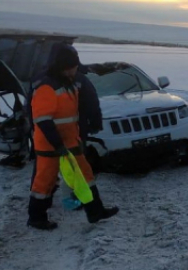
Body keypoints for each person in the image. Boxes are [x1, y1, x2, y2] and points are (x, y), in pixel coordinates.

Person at [27, 46, 119, 230]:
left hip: (70, 142)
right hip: (51, 146)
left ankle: (95, 211)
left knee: (85, 176)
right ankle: (36, 218)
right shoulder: (46, 87)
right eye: (73, 66)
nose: (75, 69)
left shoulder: (69, 83)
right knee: (45, 181)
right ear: (65, 67)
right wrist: (57, 144)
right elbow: (43, 121)